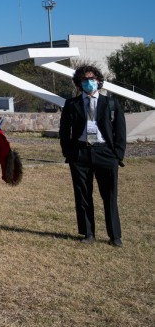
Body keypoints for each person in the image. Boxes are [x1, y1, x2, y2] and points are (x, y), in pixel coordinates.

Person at [59, 65, 126, 247]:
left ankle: (115, 235)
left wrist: (117, 155)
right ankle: (88, 233)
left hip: (105, 152)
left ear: (99, 80)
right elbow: (64, 131)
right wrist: (69, 153)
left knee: (109, 195)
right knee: (83, 195)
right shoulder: (71, 104)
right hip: (80, 153)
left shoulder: (111, 103)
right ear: (79, 83)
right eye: (85, 79)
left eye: (93, 78)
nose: (90, 82)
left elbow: (120, 131)